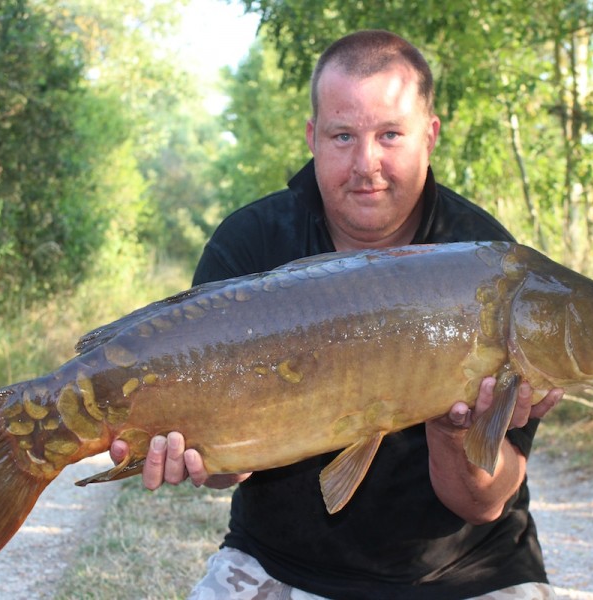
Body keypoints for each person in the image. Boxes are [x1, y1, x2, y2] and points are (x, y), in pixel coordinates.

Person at [111, 30, 564, 599]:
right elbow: (229, 467)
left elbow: (483, 501)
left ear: (430, 135)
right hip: (282, 563)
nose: (365, 163)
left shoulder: (491, 268)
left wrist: (453, 433)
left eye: (390, 135)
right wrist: (207, 455)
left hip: (468, 574)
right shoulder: (252, 243)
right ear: (312, 137)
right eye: (343, 135)